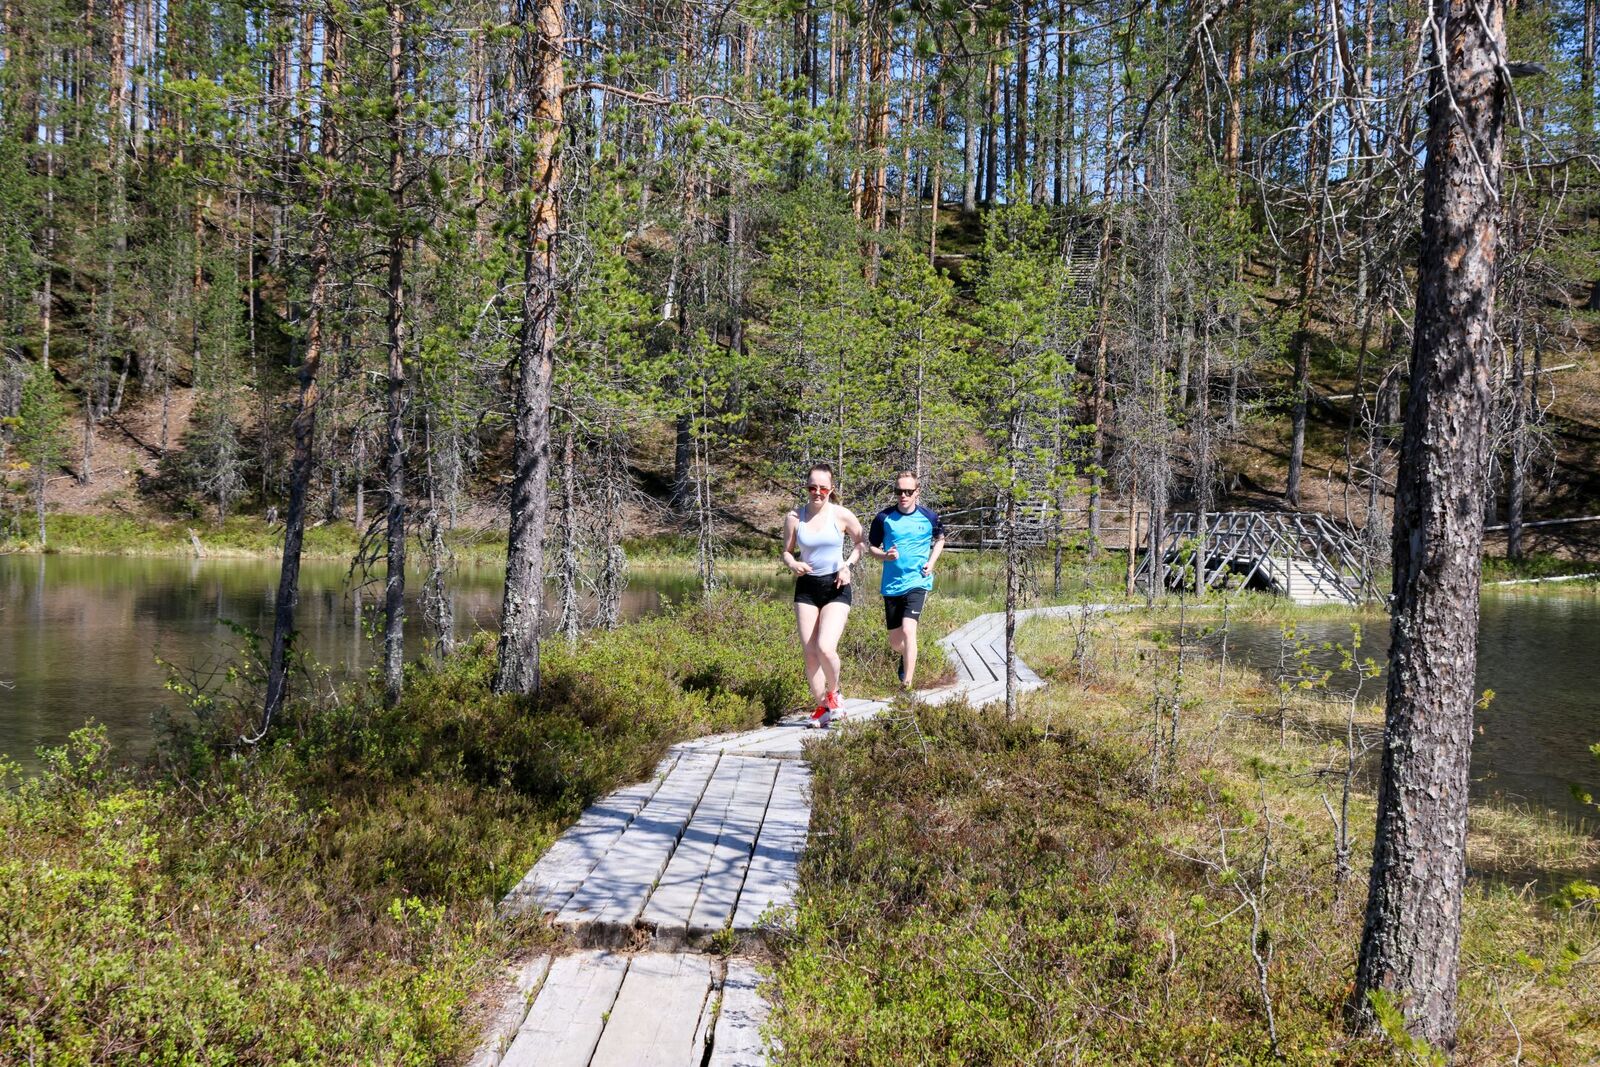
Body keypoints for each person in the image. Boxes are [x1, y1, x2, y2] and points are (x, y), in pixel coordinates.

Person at [781, 462, 867, 728]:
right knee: (809, 653)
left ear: (831, 489)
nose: (817, 492)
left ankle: (836, 694)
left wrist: (847, 566)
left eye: (823, 488)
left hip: (836, 586)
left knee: (825, 647)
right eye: (812, 487)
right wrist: (793, 563)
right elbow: (786, 550)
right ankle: (823, 707)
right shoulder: (795, 517)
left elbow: (861, 542)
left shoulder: (841, 515)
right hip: (807, 587)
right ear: (807, 487)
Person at [867, 472, 945, 689]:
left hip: (918, 582)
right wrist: (884, 556)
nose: (903, 495)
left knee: (910, 630)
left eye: (908, 492)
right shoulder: (884, 518)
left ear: (917, 492)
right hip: (892, 586)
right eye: (899, 491)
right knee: (895, 642)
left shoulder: (929, 517)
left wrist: (932, 562)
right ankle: (905, 657)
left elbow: (940, 539)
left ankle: (907, 685)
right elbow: (871, 547)